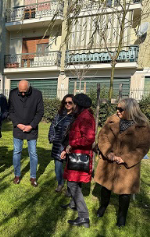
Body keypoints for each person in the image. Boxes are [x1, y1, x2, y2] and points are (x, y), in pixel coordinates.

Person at [95, 98, 150, 227]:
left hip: (128, 165)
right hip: (109, 160)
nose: (117, 112)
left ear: (131, 110)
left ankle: (122, 216)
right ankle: (103, 206)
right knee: (105, 186)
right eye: (117, 109)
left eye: (120, 109)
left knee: (125, 192)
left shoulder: (143, 126)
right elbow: (102, 136)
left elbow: (143, 147)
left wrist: (125, 158)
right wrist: (108, 152)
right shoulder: (112, 120)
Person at [60, 93, 95, 228]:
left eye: (73, 103)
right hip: (76, 154)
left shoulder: (85, 117)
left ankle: (83, 217)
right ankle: (73, 204)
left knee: (72, 185)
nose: (71, 106)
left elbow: (89, 139)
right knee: (75, 182)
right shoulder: (81, 115)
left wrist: (72, 143)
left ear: (78, 105)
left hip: (80, 155)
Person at [9, 80, 44, 187]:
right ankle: (17, 175)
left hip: (31, 128)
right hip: (18, 127)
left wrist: (31, 125)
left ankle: (33, 177)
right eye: (21, 92)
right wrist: (17, 124)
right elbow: (10, 111)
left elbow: (40, 112)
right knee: (16, 152)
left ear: (29, 88)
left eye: (25, 92)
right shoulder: (13, 93)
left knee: (33, 153)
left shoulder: (37, 94)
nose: (23, 94)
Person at [48, 94, 74, 192]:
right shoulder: (60, 114)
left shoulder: (76, 116)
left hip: (69, 145)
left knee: (70, 166)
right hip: (58, 144)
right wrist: (52, 137)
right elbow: (52, 125)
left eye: (70, 102)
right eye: (65, 102)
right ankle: (60, 183)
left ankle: (70, 187)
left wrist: (70, 145)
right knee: (58, 165)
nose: (67, 104)